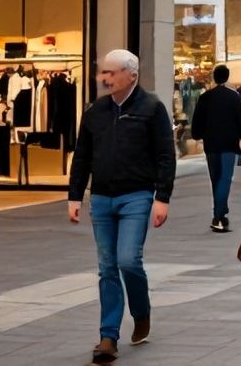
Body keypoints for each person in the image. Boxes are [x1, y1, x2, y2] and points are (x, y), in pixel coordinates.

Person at [68, 49, 176, 364]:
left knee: (128, 260)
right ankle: (108, 337)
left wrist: (162, 198)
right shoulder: (95, 111)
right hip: (101, 198)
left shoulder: (151, 108)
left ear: (132, 75)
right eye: (104, 72)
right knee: (107, 267)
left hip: (137, 196)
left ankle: (141, 311)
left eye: (112, 72)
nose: (106, 78)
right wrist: (75, 195)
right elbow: (82, 155)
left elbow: (165, 155)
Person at [190, 64, 241, 233]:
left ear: (214, 77)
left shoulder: (205, 97)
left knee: (215, 178)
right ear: (227, 77)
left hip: (211, 144)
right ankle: (219, 215)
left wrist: (198, 134)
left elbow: (197, 122)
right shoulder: (233, 97)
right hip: (229, 143)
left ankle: (219, 214)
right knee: (225, 178)